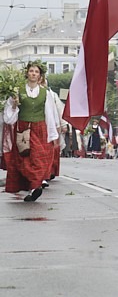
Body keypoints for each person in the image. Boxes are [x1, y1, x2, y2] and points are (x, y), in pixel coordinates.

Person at [3, 61, 59, 202]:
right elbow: (9, 117)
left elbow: (50, 113)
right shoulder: (17, 91)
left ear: (40, 76)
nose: (33, 74)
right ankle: (33, 187)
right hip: (23, 129)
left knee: (39, 158)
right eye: (31, 71)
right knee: (24, 159)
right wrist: (15, 105)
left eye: (36, 72)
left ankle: (35, 187)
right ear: (27, 73)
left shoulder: (45, 93)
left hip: (40, 128)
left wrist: (53, 133)